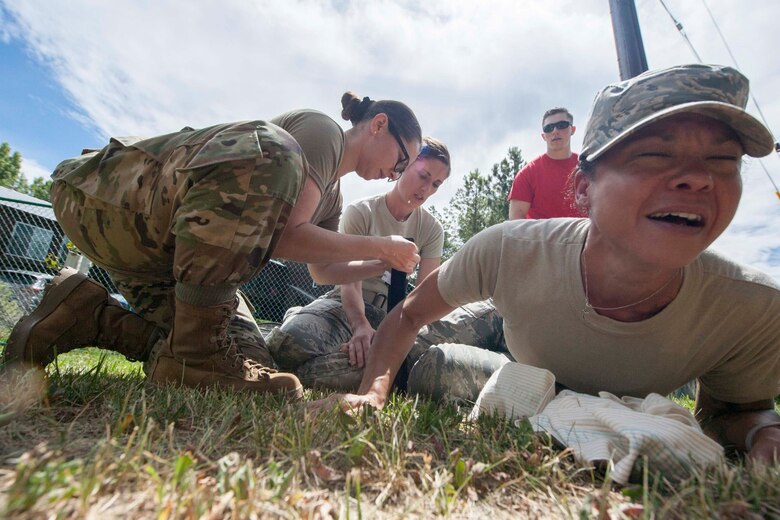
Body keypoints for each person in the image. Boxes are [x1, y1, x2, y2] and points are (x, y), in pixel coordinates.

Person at [318, 64, 780, 464]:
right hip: (528, 380)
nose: (698, 179)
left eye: (724, 160)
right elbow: (412, 311)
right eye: (655, 154)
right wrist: (373, 394)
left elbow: (736, 413)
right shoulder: (505, 249)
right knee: (433, 370)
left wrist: (763, 433)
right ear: (583, 189)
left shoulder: (752, 308)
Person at [2, 93, 423, 398]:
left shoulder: (331, 197)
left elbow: (321, 271)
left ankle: (83, 314)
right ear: (379, 124)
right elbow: (286, 236)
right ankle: (196, 347)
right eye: (403, 160)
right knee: (278, 151)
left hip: (162, 254)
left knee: (247, 365)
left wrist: (375, 264)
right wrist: (380, 244)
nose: (396, 173)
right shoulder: (322, 132)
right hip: (114, 198)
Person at [266, 138, 451, 390]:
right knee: (289, 344)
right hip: (344, 305)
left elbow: (422, 295)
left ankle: (308, 372)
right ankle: (305, 319)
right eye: (423, 176)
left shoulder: (432, 230)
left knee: (404, 369)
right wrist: (360, 325)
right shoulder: (361, 212)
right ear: (404, 166)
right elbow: (348, 282)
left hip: (391, 316)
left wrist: (393, 336)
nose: (426, 189)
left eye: (436, 184)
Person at [507, 107, 582, 219]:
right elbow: (515, 223)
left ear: (573, 129)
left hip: (584, 235)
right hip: (540, 236)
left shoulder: (588, 167)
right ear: (543, 136)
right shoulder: (527, 174)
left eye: (562, 125)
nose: (555, 131)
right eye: (549, 128)